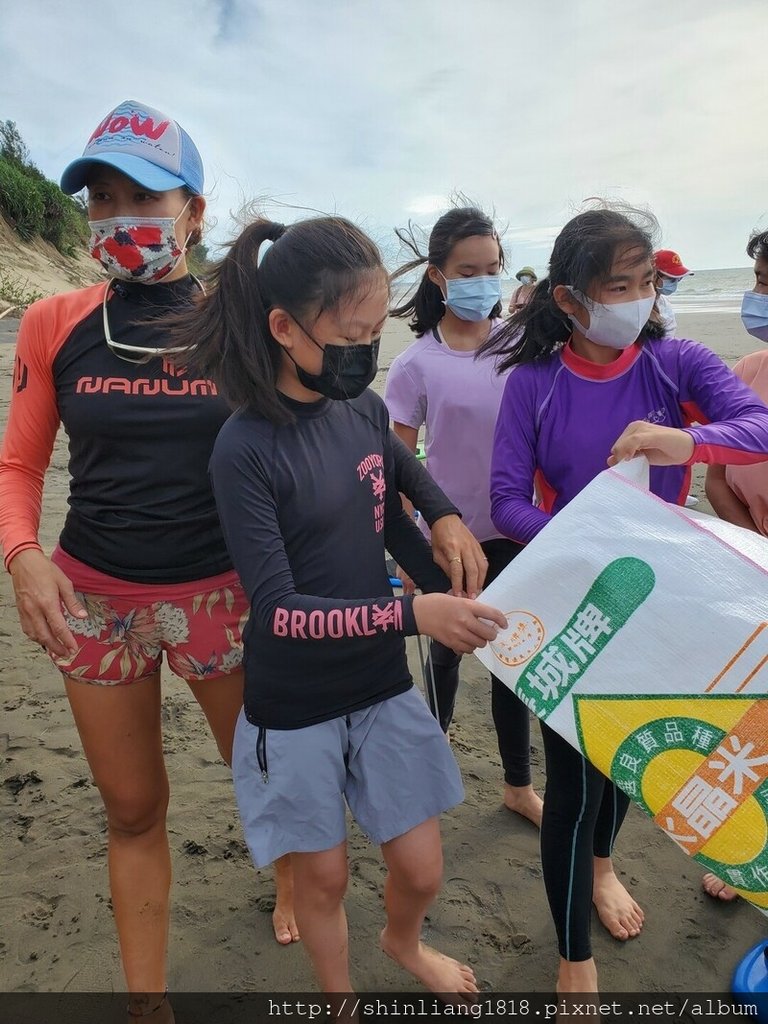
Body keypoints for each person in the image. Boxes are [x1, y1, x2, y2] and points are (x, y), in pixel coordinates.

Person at [0, 101, 487, 1016]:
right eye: (101, 198)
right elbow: (20, 462)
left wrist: (435, 511)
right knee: (134, 808)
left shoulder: (242, 322)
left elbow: (354, 425)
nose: (118, 218)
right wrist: (22, 553)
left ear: (194, 208)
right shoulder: (55, 321)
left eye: (142, 196)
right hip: (96, 599)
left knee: (264, 772)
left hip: (232, 596)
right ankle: (147, 1001)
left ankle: (291, 882)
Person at [168, 213, 508, 1003]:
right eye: (348, 336)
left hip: (379, 683)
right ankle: (339, 999)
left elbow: (395, 489)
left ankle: (402, 941)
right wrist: (413, 614)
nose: (364, 354)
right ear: (283, 327)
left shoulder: (357, 406)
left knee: (421, 866)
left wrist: (445, 528)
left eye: (372, 333)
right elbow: (278, 609)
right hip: (294, 705)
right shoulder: (244, 448)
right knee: (319, 879)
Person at [482, 205, 768, 995]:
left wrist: (687, 440)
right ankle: (574, 960)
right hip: (581, 603)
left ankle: (604, 867)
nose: (640, 298)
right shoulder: (534, 386)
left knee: (630, 761)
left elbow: (760, 426)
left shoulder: (673, 363)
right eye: (620, 285)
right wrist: (582, 543)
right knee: (575, 781)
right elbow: (506, 500)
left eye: (647, 282)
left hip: (664, 602)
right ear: (570, 302)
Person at [385, 206, 542, 826]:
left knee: (513, 663)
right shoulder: (415, 364)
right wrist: (403, 552)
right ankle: (435, 745)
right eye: (468, 270)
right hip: (445, 537)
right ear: (439, 277)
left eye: (493, 268)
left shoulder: (525, 349)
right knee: (444, 655)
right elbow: (397, 465)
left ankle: (518, 785)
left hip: (517, 529)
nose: (484, 281)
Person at [702, 228, 768, 903]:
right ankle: (737, 845)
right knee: (750, 710)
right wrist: (755, 549)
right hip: (753, 566)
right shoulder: (747, 375)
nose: (758, 296)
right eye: (756, 279)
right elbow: (717, 478)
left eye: (767, 282)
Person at [653, 248, 693, 337]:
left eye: (678, 279)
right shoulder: (642, 303)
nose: (674, 283)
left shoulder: (664, 302)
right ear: (654, 275)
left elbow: (669, 334)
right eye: (671, 279)